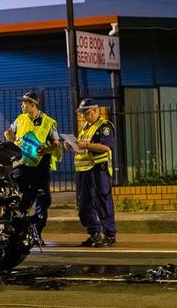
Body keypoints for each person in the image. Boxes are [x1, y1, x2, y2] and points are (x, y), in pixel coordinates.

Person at [4, 92, 61, 243]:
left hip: (40, 167)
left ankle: (37, 232)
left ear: (33, 105)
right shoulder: (20, 119)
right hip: (22, 165)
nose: (21, 105)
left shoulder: (48, 122)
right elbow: (7, 132)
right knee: (19, 198)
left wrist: (46, 150)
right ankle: (18, 231)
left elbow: (56, 143)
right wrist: (14, 140)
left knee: (43, 200)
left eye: (24, 103)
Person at [68, 98, 117, 247]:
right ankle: (95, 233)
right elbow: (83, 147)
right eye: (82, 113)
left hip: (98, 169)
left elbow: (106, 147)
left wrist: (86, 145)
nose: (84, 116)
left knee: (102, 202)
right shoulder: (85, 126)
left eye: (87, 113)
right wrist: (73, 145)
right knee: (84, 206)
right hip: (84, 170)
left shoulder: (104, 126)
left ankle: (109, 234)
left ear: (96, 110)